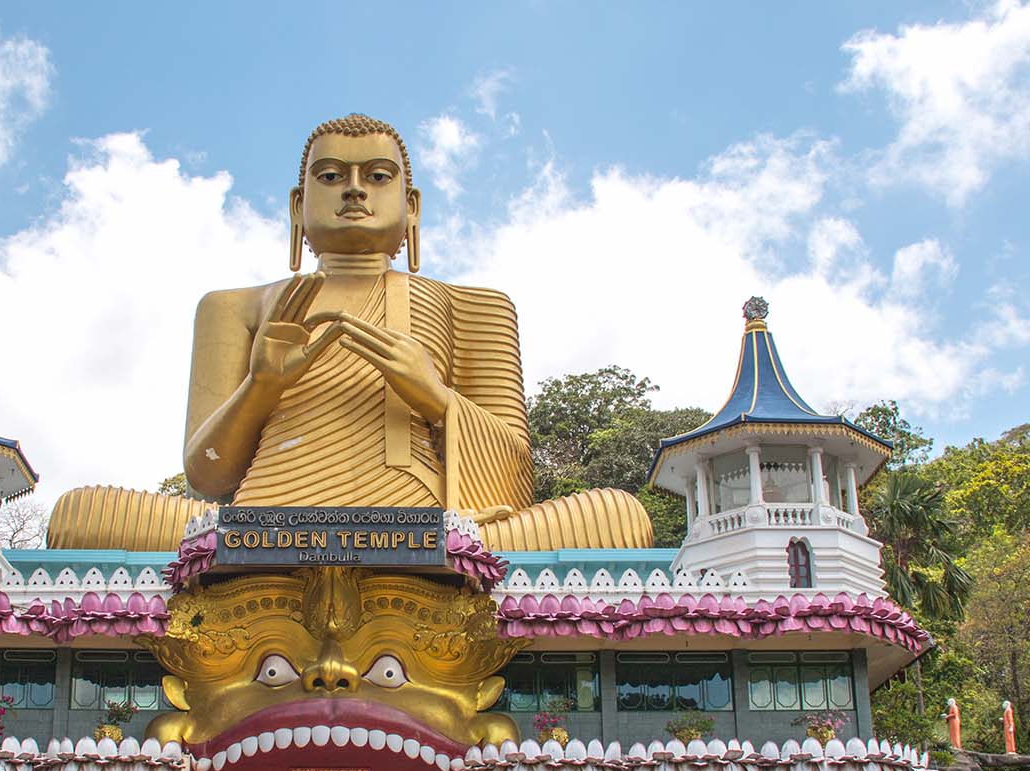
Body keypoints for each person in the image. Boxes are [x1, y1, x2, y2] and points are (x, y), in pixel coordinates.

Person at [46, 113, 652, 552]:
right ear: (298, 205)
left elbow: (515, 476)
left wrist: (435, 398)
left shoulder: (474, 306)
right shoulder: (235, 307)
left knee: (619, 517)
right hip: (263, 525)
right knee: (80, 514)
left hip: (423, 528)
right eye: (332, 175)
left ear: (411, 206)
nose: (356, 189)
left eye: (378, 176)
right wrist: (261, 386)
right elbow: (208, 478)